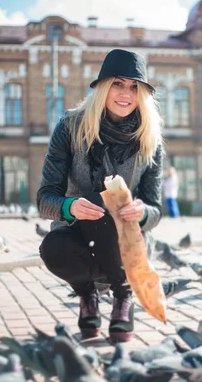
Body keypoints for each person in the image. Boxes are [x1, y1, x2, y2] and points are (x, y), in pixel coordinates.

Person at [37, 49, 163, 343]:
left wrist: (142, 212)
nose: (126, 94)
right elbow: (45, 199)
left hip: (128, 242)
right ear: (103, 87)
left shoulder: (150, 136)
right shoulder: (70, 127)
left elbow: (155, 209)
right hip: (79, 235)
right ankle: (87, 294)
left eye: (135, 87)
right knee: (53, 247)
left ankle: (123, 296)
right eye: (118, 84)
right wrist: (70, 207)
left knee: (108, 203)